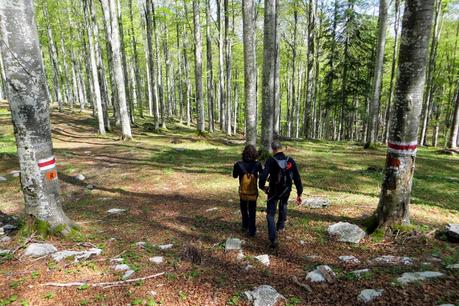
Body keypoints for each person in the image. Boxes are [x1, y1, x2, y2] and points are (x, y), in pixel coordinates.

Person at [259, 140, 303, 248]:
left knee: (270, 213)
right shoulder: (290, 160)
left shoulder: (270, 160)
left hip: (273, 190)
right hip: (286, 189)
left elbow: (263, 176)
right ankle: (281, 226)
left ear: (273, 149)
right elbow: (297, 177)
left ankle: (273, 238)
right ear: (281, 148)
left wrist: (262, 186)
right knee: (283, 204)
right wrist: (299, 192)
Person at [233, 145, 263, 236]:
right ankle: (252, 230)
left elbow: (234, 176)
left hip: (243, 191)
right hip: (253, 191)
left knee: (243, 208)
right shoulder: (258, 164)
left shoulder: (238, 164)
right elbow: (262, 175)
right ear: (255, 154)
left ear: (244, 153)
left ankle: (245, 226)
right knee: (252, 209)